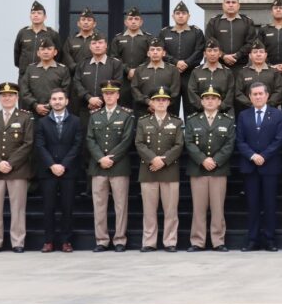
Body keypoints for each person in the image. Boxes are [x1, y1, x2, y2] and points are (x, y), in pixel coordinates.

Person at [0, 82, 34, 254]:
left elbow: (28, 143)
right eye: (4, 96)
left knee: (17, 208)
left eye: (11, 95)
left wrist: (10, 163)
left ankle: (17, 241)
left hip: (17, 169)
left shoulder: (25, 117)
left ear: (17, 97)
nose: (7, 98)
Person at [183, 85, 235, 252]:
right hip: (198, 169)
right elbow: (189, 142)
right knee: (198, 207)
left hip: (219, 169)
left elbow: (229, 144)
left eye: (213, 98)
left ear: (219, 102)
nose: (210, 101)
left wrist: (215, 160)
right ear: (202, 101)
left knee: (218, 207)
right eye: (207, 98)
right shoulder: (192, 120)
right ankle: (197, 241)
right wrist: (203, 159)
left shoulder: (227, 121)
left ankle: (218, 241)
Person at [85, 80, 135, 253]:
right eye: (106, 93)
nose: (109, 96)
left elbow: (127, 139)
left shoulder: (126, 115)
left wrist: (111, 158)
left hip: (119, 166)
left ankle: (120, 239)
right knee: (99, 204)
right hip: (98, 166)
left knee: (121, 205)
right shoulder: (95, 115)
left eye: (112, 93)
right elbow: (90, 139)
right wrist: (100, 158)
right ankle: (102, 240)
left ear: (118, 95)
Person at [236, 82, 282, 251]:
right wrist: (252, 155)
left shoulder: (277, 115)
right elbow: (240, 140)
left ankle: (270, 239)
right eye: (254, 94)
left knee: (270, 204)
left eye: (260, 94)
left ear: (267, 96)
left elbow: (279, 140)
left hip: (270, 165)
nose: (258, 97)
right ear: (250, 97)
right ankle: (253, 240)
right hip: (250, 166)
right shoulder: (243, 115)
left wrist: (263, 155)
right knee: (252, 204)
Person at [135, 87, 184, 252]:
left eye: (164, 100)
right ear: (152, 103)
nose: (161, 103)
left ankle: (170, 241)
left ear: (169, 102)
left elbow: (179, 145)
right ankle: (149, 242)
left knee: (171, 211)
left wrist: (164, 160)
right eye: (157, 100)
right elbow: (139, 144)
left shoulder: (177, 122)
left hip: (169, 171)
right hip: (149, 170)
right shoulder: (143, 122)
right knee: (149, 210)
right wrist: (153, 159)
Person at [35, 88, 81, 253]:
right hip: (48, 172)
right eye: (54, 99)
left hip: (68, 171)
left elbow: (77, 145)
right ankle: (48, 241)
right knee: (49, 207)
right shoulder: (42, 122)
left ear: (67, 101)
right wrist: (52, 165)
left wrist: (64, 165)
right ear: (50, 102)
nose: (57, 101)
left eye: (60, 98)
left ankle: (66, 242)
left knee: (67, 207)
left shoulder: (75, 121)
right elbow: (39, 146)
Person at [158, 1, 206, 118]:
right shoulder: (164, 32)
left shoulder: (196, 32)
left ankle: (190, 135)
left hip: (190, 75)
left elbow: (199, 51)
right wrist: (176, 62)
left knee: (192, 108)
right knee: (170, 106)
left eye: (183, 13)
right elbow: (161, 52)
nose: (180, 15)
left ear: (188, 16)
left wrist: (186, 63)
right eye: (178, 13)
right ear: (173, 16)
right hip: (170, 75)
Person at [72, 33, 125, 129]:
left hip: (108, 109)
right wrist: (89, 98)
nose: (97, 45)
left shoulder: (115, 63)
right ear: (90, 47)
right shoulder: (83, 63)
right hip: (86, 108)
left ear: (106, 46)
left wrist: (100, 100)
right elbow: (77, 82)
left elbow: (118, 84)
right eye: (94, 43)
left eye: (100, 43)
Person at [110, 7, 152, 108]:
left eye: (136, 19)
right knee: (124, 108)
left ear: (141, 22)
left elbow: (152, 57)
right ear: (125, 22)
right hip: (123, 79)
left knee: (142, 107)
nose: (133, 21)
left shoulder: (148, 38)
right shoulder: (118, 38)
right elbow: (114, 58)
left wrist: (137, 70)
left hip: (143, 78)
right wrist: (128, 70)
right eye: (130, 19)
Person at [205, 0, 258, 70]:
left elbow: (251, 42)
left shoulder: (247, 21)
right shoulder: (214, 22)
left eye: (233, 2)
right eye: (228, 2)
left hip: (241, 66)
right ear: (223, 5)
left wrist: (237, 55)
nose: (230, 5)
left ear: (238, 5)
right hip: (218, 66)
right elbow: (208, 41)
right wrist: (223, 56)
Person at [18, 38, 71, 119]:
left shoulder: (62, 69)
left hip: (55, 112)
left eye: (49, 49)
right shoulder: (30, 69)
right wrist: (35, 105)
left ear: (55, 52)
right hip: (33, 112)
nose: (46, 52)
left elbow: (66, 90)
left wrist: (50, 105)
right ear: (38, 53)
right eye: (42, 49)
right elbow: (24, 90)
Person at [186, 39, 238, 116]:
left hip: (223, 113)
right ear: (204, 54)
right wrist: (204, 107)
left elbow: (231, 93)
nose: (212, 54)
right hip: (201, 113)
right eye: (209, 51)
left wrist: (220, 107)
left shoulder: (227, 72)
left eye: (215, 50)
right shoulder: (196, 72)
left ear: (220, 53)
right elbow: (192, 92)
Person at [131, 38, 181, 114]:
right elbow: (135, 89)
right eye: (152, 50)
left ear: (164, 53)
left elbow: (175, 92)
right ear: (148, 53)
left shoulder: (173, 70)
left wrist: (161, 106)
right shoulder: (139, 70)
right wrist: (149, 102)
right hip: (144, 111)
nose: (155, 52)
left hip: (167, 111)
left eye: (158, 50)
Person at [234, 38, 282, 113]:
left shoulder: (274, 72)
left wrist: (267, 105)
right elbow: (238, 93)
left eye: (261, 52)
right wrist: (251, 104)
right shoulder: (243, 73)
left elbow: (279, 91)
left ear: (265, 55)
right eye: (255, 52)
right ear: (250, 56)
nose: (258, 54)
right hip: (248, 111)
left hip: (270, 111)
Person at [13, 0, 60, 75]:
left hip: (45, 75)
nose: (35, 15)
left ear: (45, 17)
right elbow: (17, 54)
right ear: (30, 16)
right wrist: (23, 67)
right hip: (25, 75)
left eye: (39, 13)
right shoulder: (23, 33)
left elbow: (58, 56)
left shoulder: (52, 34)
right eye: (33, 13)